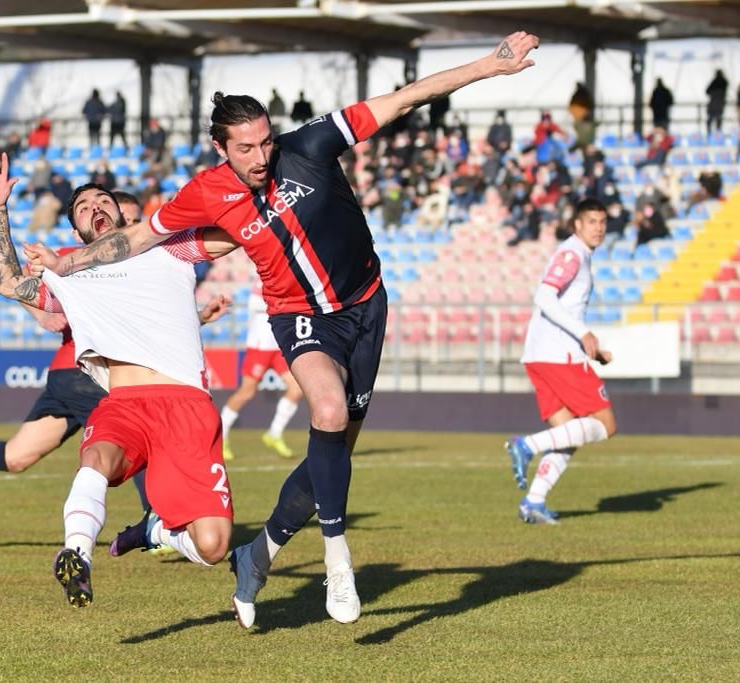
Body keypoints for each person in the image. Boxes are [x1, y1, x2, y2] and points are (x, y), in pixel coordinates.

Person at [38, 31, 540, 627]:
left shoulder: (310, 145)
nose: (260, 155)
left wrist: (490, 65)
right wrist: (65, 263)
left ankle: (259, 554)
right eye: (245, 147)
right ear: (221, 148)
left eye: (265, 141)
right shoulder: (206, 191)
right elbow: (138, 236)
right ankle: (338, 562)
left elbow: (405, 97)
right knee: (325, 413)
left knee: (332, 455)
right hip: (296, 314)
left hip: (366, 305)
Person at [0, 158, 241, 608]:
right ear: (77, 230)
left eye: (103, 200)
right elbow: (7, 282)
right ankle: (77, 552)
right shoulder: (70, 275)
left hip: (187, 407)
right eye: (82, 206)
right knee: (97, 456)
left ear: (124, 214)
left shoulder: (170, 248)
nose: (95, 206)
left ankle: (155, 531)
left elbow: (235, 235)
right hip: (125, 401)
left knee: (214, 545)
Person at [504, 198, 617, 524]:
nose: (598, 227)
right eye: (592, 221)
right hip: (557, 356)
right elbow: (544, 296)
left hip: (543, 354)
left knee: (571, 432)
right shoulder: (572, 254)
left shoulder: (578, 255)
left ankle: (534, 502)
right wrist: (583, 334)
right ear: (577, 224)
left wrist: (594, 348)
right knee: (605, 425)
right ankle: (526, 445)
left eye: (602, 221)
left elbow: (561, 306)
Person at [221, 285, 304, 461]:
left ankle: (274, 433)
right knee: (246, 392)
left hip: (278, 346)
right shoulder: (263, 278)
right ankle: (221, 435)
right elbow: (255, 304)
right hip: (260, 346)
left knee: (297, 389)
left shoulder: (287, 278)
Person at [706, 70, 728, 134]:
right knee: (718, 120)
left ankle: (710, 135)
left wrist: (713, 93)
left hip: (713, 104)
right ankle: (718, 135)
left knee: (710, 121)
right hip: (720, 104)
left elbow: (707, 91)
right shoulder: (724, 82)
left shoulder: (714, 82)